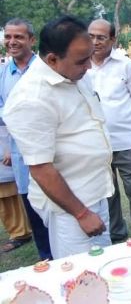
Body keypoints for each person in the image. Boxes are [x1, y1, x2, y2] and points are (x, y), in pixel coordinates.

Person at [3, 15, 114, 259]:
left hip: (95, 191)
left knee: (103, 263)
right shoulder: (31, 97)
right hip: (71, 209)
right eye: (82, 61)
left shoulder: (71, 73)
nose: (89, 66)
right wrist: (82, 214)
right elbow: (41, 168)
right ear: (52, 59)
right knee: (82, 277)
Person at [86, 19, 131, 242]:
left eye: (101, 37)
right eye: (90, 36)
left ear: (113, 39)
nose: (95, 41)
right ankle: (117, 238)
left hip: (126, 142)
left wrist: (120, 119)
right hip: (97, 146)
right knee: (107, 195)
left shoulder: (128, 67)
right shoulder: (80, 67)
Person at [0, 18, 52, 259]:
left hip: (51, 153)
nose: (12, 42)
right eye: (8, 37)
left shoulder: (46, 69)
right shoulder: (3, 74)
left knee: (56, 205)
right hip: (21, 156)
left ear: (32, 40)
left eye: (18, 37)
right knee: (33, 209)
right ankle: (46, 258)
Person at [0, 125, 32, 252]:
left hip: (6, 145)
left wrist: (10, 148)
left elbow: (10, 121)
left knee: (9, 193)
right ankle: (15, 232)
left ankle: (21, 233)